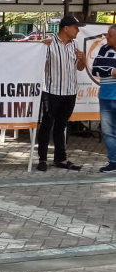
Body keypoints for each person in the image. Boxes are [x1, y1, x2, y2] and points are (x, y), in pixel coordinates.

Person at [36, 15, 87, 171]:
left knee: (62, 126)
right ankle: (42, 159)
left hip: (70, 91)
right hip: (52, 91)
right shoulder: (49, 43)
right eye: (76, 27)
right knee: (47, 125)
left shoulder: (75, 44)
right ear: (66, 28)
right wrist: (40, 46)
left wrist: (82, 59)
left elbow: (80, 68)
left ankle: (61, 159)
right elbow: (37, 64)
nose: (78, 30)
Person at [92, 25, 116, 173]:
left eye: (110, 35)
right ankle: (113, 161)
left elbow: (102, 68)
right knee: (108, 132)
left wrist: (107, 68)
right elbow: (95, 69)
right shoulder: (104, 50)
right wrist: (112, 70)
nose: (107, 37)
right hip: (106, 97)